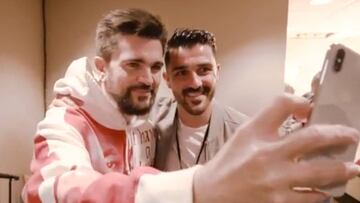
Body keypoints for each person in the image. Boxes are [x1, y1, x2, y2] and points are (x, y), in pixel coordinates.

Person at [22, 8, 360, 203]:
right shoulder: (68, 122)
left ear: (218, 72)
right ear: (100, 68)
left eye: (154, 67)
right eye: (132, 65)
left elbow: (292, 154)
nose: (147, 79)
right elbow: (56, 188)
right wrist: (200, 186)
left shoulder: (140, 121)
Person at [152, 28, 247, 171]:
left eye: (204, 70)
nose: (195, 83)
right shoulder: (150, 125)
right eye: (182, 73)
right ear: (168, 80)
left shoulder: (243, 134)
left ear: (217, 72)